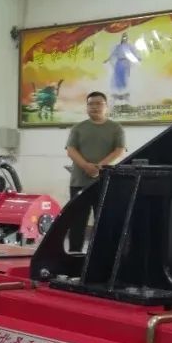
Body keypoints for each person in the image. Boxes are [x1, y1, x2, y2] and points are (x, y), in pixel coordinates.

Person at [66, 91, 126, 253]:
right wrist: (86, 166)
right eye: (90, 104)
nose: (94, 107)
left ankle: (101, 258)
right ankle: (74, 256)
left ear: (106, 106)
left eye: (98, 103)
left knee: (105, 222)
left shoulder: (116, 128)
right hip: (79, 182)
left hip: (106, 182)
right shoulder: (78, 128)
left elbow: (119, 151)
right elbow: (71, 150)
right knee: (77, 222)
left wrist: (99, 167)